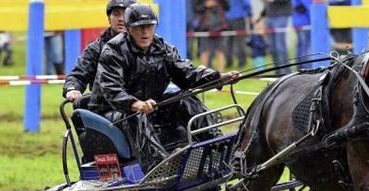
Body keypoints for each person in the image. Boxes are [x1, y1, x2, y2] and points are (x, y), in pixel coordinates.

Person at [88, 3, 240, 172]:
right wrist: (135, 104)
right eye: (139, 27)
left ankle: (219, 146)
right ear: (129, 29)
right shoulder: (113, 51)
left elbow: (186, 72)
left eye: (149, 26)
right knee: (135, 115)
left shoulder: (162, 48)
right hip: (112, 112)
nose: (145, 32)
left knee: (184, 98)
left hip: (150, 106)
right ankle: (160, 168)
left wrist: (217, 78)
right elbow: (111, 89)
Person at [63, 0, 136, 103]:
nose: (121, 19)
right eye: (116, 14)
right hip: (105, 108)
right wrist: (72, 89)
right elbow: (78, 75)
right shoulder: (95, 49)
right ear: (109, 19)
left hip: (142, 107)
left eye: (126, 14)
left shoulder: (149, 46)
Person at [195, 0, 229, 71]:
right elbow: (195, 8)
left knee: (220, 50)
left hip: (221, 27)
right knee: (204, 50)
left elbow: (227, 7)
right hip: (205, 27)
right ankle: (203, 73)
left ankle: (220, 73)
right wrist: (205, 5)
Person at [262, 0, 291, 74]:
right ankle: (278, 70)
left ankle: (287, 70)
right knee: (272, 47)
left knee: (280, 46)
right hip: (269, 16)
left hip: (281, 16)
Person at [224, 0, 252, 69]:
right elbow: (247, 4)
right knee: (240, 41)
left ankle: (229, 62)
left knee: (228, 42)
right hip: (239, 17)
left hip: (227, 18)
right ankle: (242, 62)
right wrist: (250, 14)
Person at [292, 0, 311, 69]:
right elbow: (309, 7)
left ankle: (300, 67)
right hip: (305, 22)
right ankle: (306, 67)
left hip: (298, 22)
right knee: (306, 47)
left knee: (300, 46)